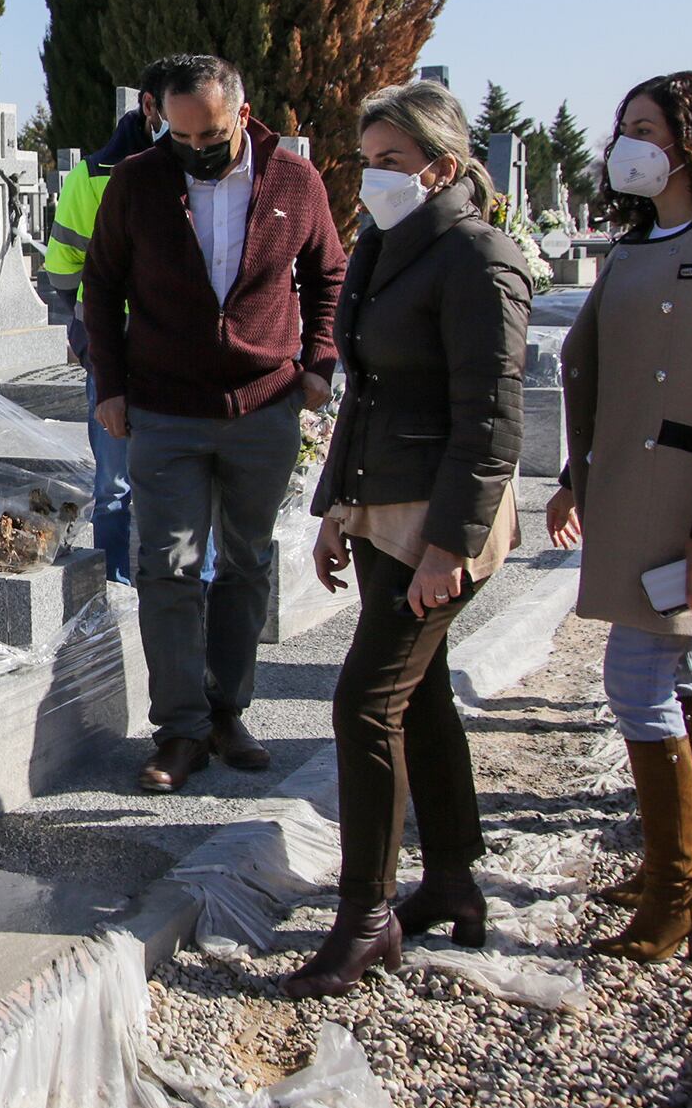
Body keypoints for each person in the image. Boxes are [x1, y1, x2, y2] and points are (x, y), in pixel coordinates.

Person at [285, 81, 530, 997]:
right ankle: (455, 880)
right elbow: (369, 393)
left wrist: (448, 547)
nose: (372, 179)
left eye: (390, 162)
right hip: (381, 505)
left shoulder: (477, 258)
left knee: (363, 703)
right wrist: (335, 509)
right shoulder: (392, 244)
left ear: (444, 166)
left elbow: (493, 418)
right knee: (416, 694)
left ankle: (367, 916)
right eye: (367, 160)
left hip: (439, 519)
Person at [545, 72, 692, 964]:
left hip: (690, 508)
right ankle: (676, 869)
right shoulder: (639, 243)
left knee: (634, 680)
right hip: (627, 495)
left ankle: (677, 890)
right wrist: (575, 474)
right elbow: (594, 372)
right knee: (673, 676)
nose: (627, 145)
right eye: (624, 129)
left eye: (645, 128)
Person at [84, 54, 346, 794]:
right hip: (165, 409)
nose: (196, 149)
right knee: (165, 567)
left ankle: (228, 711)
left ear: (242, 110)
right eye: (181, 134)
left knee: (247, 562)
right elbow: (100, 285)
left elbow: (329, 271)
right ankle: (181, 731)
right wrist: (110, 383)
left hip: (264, 405)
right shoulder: (139, 180)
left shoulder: (294, 181)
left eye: (212, 134)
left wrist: (319, 359)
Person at [44, 95, 164, 584]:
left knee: (126, 478)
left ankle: (128, 577)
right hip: (120, 340)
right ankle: (118, 581)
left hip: (142, 338)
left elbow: (61, 269)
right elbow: (62, 264)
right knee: (119, 479)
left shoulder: (97, 173)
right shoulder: (94, 175)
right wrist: (90, 324)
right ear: (152, 107)